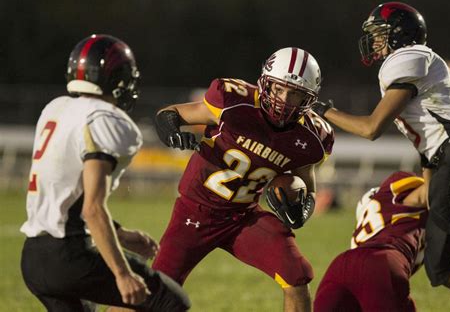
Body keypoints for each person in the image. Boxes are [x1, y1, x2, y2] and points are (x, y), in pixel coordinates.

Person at [313, 2, 450, 301]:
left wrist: (325, 110)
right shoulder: (413, 63)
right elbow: (427, 140)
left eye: (379, 34)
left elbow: (371, 128)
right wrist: (429, 183)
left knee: (445, 209)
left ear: (399, 34)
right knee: (439, 267)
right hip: (444, 154)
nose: (374, 42)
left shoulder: (409, 56)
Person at [153, 47, 334, 311]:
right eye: (279, 89)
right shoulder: (234, 102)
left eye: (295, 94)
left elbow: (307, 183)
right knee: (154, 294)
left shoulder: (311, 137)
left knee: (297, 274)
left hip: (243, 217)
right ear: (265, 83)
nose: (284, 100)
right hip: (195, 212)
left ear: (309, 99)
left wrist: (302, 209)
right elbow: (169, 114)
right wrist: (171, 131)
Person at [20, 34, 190, 312]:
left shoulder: (56, 108)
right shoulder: (105, 118)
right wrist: (123, 274)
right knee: (171, 302)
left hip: (34, 259)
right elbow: (92, 209)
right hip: (71, 258)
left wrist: (121, 235)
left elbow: (64, 197)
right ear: (117, 78)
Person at [313, 171, 428, 311]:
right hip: (382, 263)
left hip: (341, 265)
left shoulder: (368, 222)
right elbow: (432, 190)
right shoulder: (399, 200)